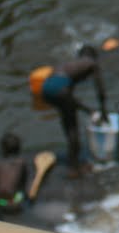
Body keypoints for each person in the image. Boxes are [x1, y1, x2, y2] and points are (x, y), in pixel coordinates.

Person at [40, 45, 108, 176]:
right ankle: (74, 168)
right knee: (73, 129)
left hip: (46, 88)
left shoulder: (69, 64)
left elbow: (70, 98)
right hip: (61, 89)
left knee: (68, 119)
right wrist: (103, 111)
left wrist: (88, 110)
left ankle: (73, 161)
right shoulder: (91, 63)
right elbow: (101, 90)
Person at [0, 132, 33, 214]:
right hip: (15, 203)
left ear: (3, 149)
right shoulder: (21, 163)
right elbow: (24, 183)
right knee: (21, 192)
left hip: (0, 202)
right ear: (19, 149)